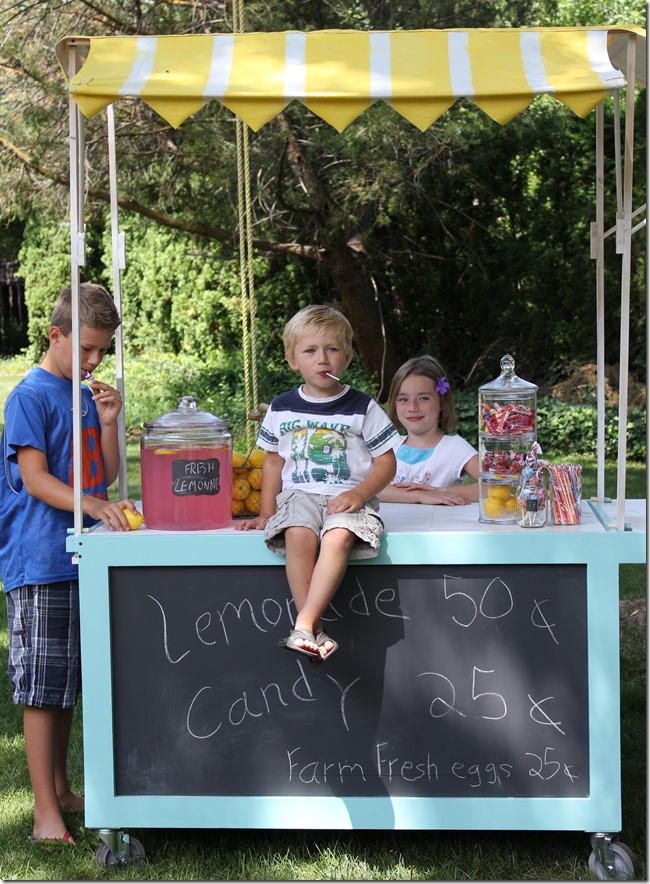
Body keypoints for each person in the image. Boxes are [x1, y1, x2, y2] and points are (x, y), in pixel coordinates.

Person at [0, 282, 138, 844]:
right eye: (85, 348)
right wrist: (92, 504)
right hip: (40, 558)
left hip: (83, 554)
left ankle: (59, 789)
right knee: (41, 688)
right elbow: (35, 479)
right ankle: (43, 815)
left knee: (66, 684)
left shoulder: (82, 394)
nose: (94, 360)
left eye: (102, 351)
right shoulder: (29, 396)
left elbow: (99, 474)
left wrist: (107, 421)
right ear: (55, 334)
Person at [235, 304, 398, 662]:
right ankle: (311, 628)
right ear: (293, 360)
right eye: (310, 351)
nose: (322, 359)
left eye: (332, 349)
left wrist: (359, 493)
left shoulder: (362, 407)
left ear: (347, 357)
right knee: (297, 533)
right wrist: (266, 510)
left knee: (337, 536)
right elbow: (274, 460)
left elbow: (387, 463)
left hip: (349, 497)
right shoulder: (282, 407)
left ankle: (304, 624)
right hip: (300, 494)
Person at [379, 355, 479, 505]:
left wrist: (438, 492)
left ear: (442, 403)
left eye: (423, 398)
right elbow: (369, 489)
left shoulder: (455, 447)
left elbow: (493, 487)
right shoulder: (388, 447)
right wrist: (419, 496)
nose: (413, 407)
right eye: (403, 399)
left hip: (441, 527)